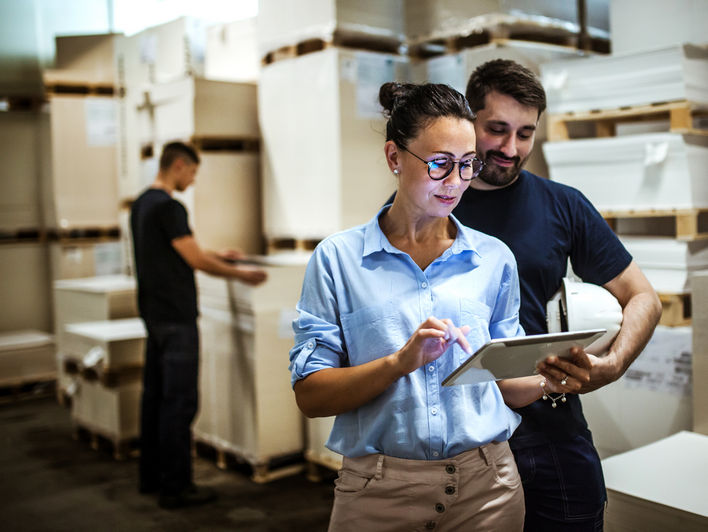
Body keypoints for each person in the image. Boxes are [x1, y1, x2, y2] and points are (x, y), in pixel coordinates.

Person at [289, 82, 578, 532]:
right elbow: (310, 395)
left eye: (467, 165)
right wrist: (399, 362)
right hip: (378, 494)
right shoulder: (338, 260)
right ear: (394, 157)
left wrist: (551, 377)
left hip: (489, 489)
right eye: (440, 164)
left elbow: (503, 385)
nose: (456, 182)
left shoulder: (494, 258)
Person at [452, 59, 662, 531]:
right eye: (497, 130)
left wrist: (611, 366)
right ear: (469, 121)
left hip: (548, 427)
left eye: (525, 134)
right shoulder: (429, 204)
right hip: (457, 434)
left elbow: (643, 298)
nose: (511, 148)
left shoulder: (561, 204)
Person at [130, 141, 267, 509]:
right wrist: (241, 274)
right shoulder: (170, 206)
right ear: (178, 165)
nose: (192, 179)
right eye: (192, 172)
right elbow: (193, 259)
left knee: (154, 398)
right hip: (176, 318)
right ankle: (177, 487)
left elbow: (175, 250)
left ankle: (151, 477)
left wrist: (218, 254)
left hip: (154, 316)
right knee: (180, 402)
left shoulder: (142, 203)